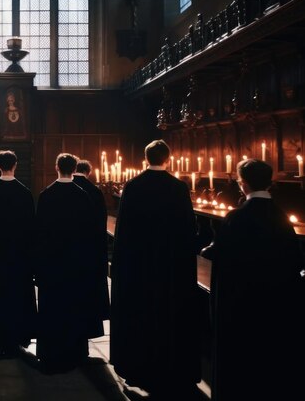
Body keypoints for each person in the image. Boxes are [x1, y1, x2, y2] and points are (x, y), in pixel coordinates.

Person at [200, 159, 305, 401]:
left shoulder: (236, 217)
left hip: (241, 305)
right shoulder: (282, 218)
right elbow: (295, 260)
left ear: (242, 184)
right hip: (275, 304)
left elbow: (217, 251)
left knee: (242, 364)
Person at [110, 139, 201, 399]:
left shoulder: (133, 186)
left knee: (141, 314)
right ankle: (170, 366)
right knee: (168, 314)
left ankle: (138, 365)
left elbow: (123, 230)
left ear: (145, 158)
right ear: (168, 159)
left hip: (139, 267)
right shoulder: (178, 188)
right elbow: (188, 229)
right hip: (170, 269)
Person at [34, 153, 99, 373]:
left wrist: (39, 266)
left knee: (52, 308)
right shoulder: (82, 196)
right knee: (74, 307)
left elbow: (39, 234)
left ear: (56, 167)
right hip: (75, 265)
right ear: (74, 169)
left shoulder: (46, 195)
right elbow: (89, 235)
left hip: (52, 265)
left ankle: (50, 351)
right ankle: (75, 352)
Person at [0, 150, 37, 358]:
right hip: (18, 258)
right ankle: (15, 338)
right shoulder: (25, 193)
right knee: (16, 297)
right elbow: (31, 229)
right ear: (15, 165)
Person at [72, 159, 110, 336]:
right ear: (89, 172)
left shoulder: (62, 188)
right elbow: (101, 224)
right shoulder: (95, 191)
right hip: (90, 252)